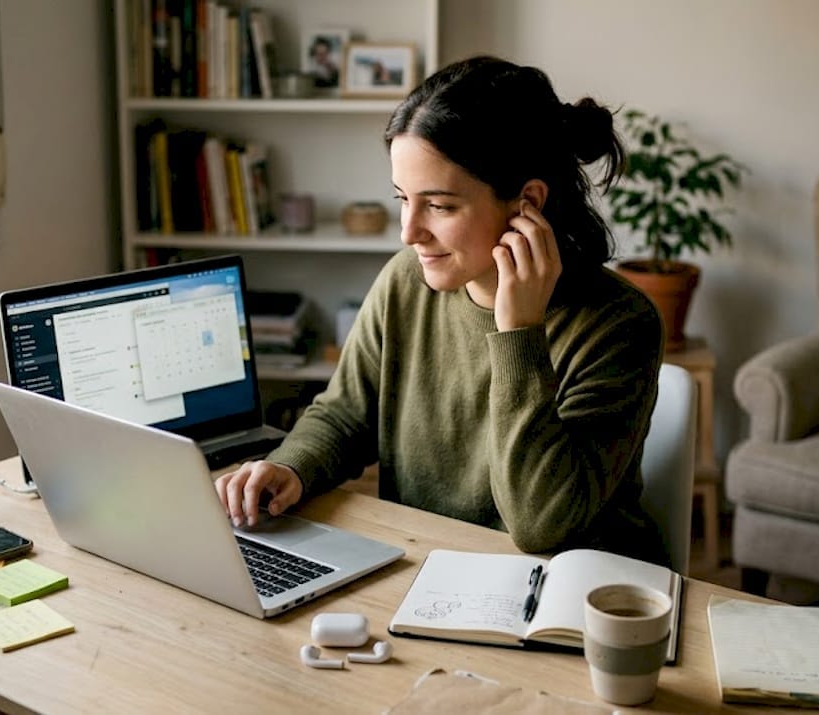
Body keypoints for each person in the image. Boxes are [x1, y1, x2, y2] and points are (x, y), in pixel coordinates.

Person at [216, 56, 666, 564]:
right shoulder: (406, 281)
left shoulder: (620, 324)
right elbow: (345, 414)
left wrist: (519, 333)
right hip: (423, 567)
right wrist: (292, 467)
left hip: (568, 594)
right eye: (402, 198)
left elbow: (542, 525)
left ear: (528, 205)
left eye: (440, 206)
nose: (410, 232)